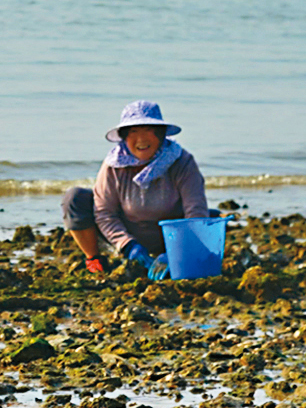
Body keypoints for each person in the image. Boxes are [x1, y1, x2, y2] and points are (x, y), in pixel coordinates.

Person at [60, 100, 208, 278]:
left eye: (149, 130)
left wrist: (177, 252)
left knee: (208, 219)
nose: (141, 139)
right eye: (133, 132)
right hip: (127, 233)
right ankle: (95, 260)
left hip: (170, 237)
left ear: (161, 134)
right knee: (74, 198)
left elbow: (196, 213)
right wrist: (128, 246)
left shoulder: (182, 162)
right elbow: (104, 213)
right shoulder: (113, 165)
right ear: (123, 137)